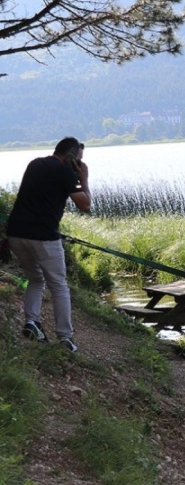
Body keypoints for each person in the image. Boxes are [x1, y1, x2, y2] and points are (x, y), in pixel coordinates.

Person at [6, 137, 91, 352]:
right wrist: (84, 179)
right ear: (71, 156)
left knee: (35, 279)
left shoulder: (35, 163)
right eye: (78, 160)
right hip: (44, 237)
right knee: (59, 286)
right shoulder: (65, 172)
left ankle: (32, 322)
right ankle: (65, 338)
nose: (79, 165)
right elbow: (85, 205)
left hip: (16, 234)